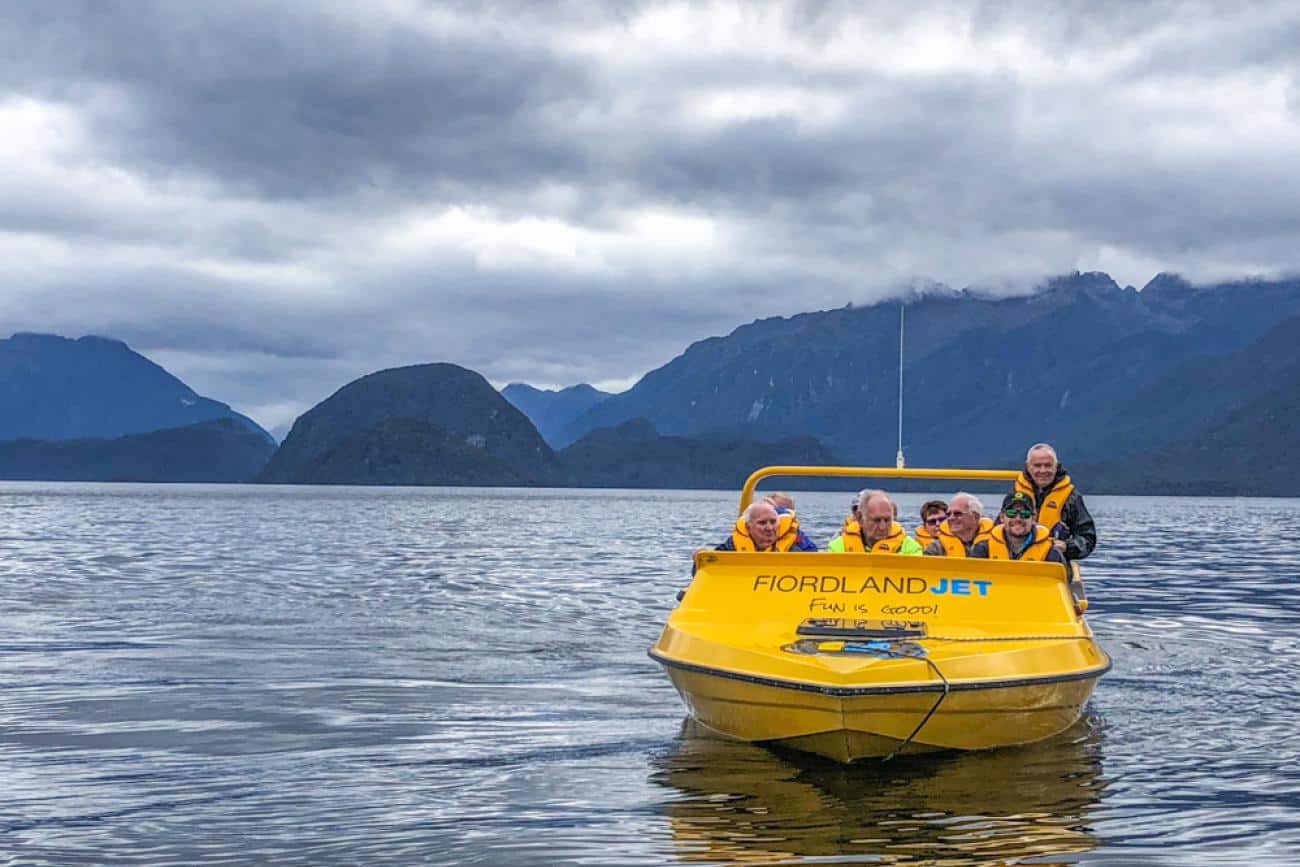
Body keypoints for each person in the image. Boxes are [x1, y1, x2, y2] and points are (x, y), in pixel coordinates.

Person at [1014, 443, 1097, 560]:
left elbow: (1087, 537)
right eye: (1037, 465)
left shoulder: (1071, 497)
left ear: (1056, 466)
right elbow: (1000, 528)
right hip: (1017, 562)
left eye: (1048, 465)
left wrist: (1068, 547)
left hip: (1054, 564)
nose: (1043, 470)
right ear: (1028, 467)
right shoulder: (1016, 494)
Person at [970, 492, 1065, 563]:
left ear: (1034, 518)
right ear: (1002, 517)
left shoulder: (1051, 552)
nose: (1018, 519)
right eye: (1011, 513)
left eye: (1025, 514)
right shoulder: (983, 549)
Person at [828, 490, 923, 554]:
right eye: (876, 520)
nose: (882, 527)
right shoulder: (838, 548)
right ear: (860, 518)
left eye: (887, 520)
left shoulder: (911, 549)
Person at [716, 499, 817, 552]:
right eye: (762, 523)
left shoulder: (795, 542)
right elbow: (713, 561)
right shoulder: (732, 545)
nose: (769, 528)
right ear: (748, 527)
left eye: (773, 522)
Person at [923, 492, 994, 557]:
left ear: (975, 517)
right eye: (948, 514)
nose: (951, 518)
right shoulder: (936, 549)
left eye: (957, 513)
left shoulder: (993, 543)